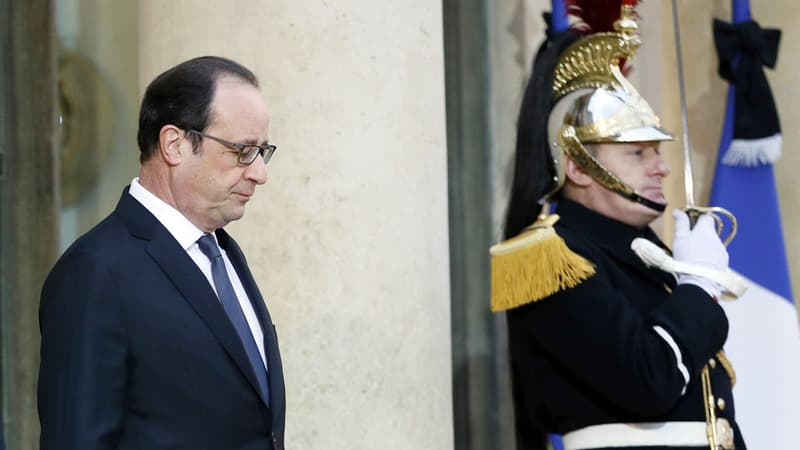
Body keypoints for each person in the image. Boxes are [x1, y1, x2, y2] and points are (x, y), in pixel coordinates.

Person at [492, 4, 745, 450]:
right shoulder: (553, 258)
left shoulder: (644, 259)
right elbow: (649, 380)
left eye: (657, 152)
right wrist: (695, 288)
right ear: (578, 167)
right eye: (637, 153)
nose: (661, 168)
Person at [38, 56, 285, 450]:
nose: (259, 173)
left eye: (262, 152)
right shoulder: (95, 271)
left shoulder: (225, 254)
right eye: (242, 151)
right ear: (175, 144)